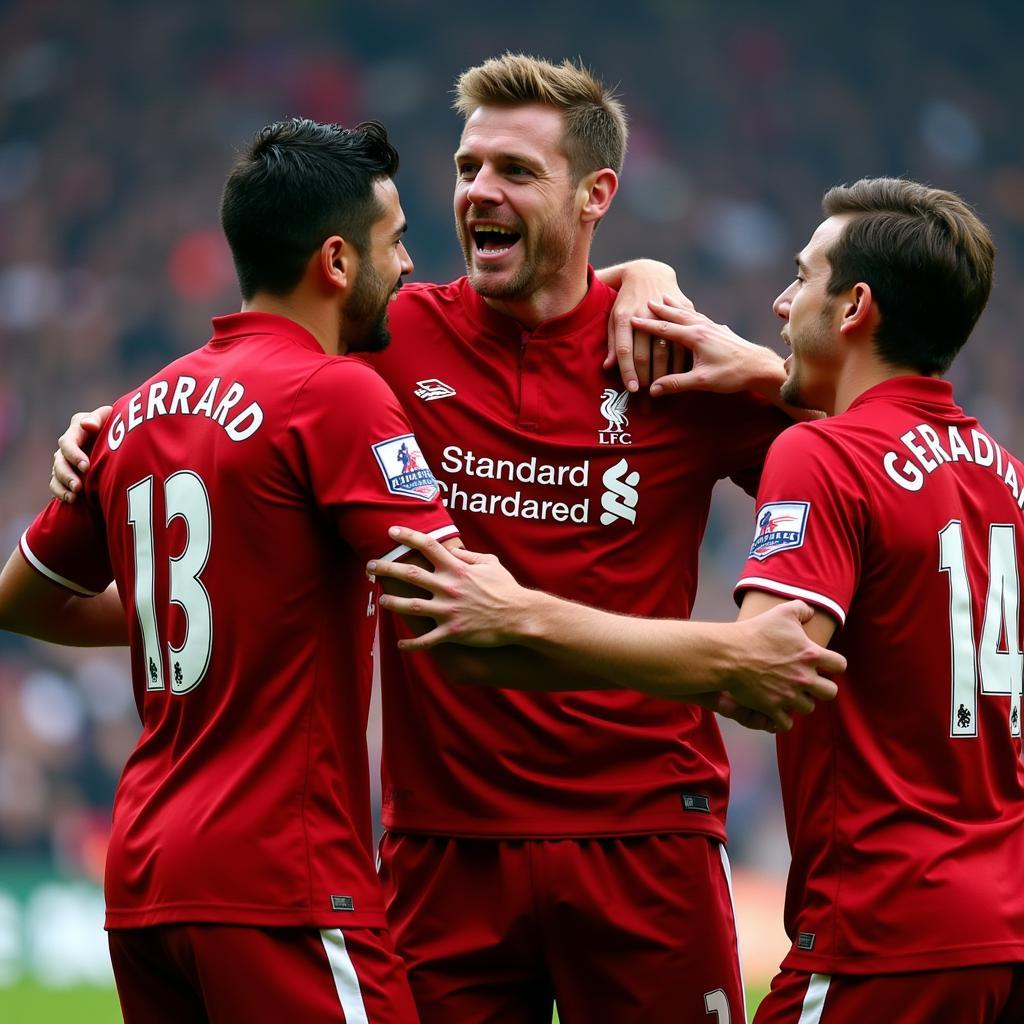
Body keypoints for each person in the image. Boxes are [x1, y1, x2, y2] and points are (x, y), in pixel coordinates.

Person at [48, 55, 843, 1024]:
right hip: (441, 847)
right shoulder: (389, 340)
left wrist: (757, 367)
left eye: (513, 170)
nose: (478, 192)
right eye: (468, 167)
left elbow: (863, 480)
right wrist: (110, 427)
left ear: (596, 194)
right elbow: (248, 380)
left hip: (645, 833)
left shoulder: (672, 356)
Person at [371, 177, 1024, 1023]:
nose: (782, 304)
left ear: (856, 306)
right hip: (1004, 910)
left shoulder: (821, 454)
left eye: (803, 278)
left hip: (890, 923)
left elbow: (761, 670)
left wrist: (520, 615)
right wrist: (693, 313)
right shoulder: (1002, 474)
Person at [0, 117, 462, 1024]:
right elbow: (456, 593)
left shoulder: (131, 413)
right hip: (280, 876)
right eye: (397, 242)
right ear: (336, 261)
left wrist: (168, 606)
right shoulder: (333, 393)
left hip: (143, 873)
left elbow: (19, 601)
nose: (408, 268)